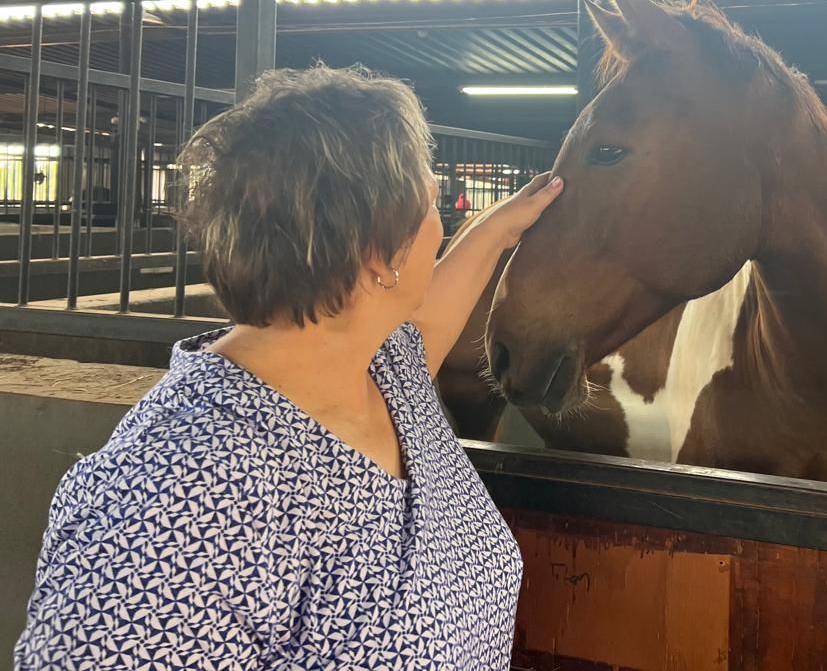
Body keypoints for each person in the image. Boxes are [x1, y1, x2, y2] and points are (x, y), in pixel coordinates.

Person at [14, 66, 563, 670]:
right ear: (380, 251)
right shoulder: (172, 502)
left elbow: (430, 320)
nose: (446, 226)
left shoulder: (385, 368)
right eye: (436, 205)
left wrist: (497, 229)